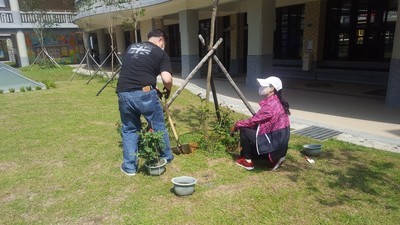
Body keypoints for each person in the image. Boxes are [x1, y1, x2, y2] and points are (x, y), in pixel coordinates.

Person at [116, 29, 174, 176]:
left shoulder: (132, 47)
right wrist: (168, 90)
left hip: (123, 92)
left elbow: (136, 69)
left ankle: (129, 168)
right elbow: (167, 79)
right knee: (158, 126)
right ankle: (166, 157)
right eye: (164, 44)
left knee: (129, 129)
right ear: (161, 40)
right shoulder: (161, 53)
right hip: (145, 93)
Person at [231, 76, 290, 171]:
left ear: (272, 89)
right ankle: (275, 158)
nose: (261, 88)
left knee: (244, 130)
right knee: (253, 134)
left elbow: (252, 121)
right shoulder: (277, 102)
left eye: (264, 86)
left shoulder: (271, 105)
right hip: (279, 144)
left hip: (273, 143)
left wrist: (237, 125)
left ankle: (247, 162)